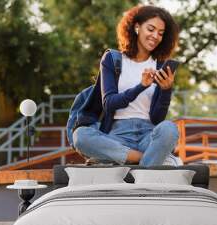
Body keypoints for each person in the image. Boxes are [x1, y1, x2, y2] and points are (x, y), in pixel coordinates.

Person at [73, 5, 180, 167]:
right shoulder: (113, 59)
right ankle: (145, 160)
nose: (155, 36)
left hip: (148, 135)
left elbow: (157, 118)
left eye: (160, 33)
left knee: (170, 129)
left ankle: (115, 158)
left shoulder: (160, 66)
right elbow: (109, 104)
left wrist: (166, 91)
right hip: (117, 136)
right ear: (137, 27)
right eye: (150, 29)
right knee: (80, 136)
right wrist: (141, 87)